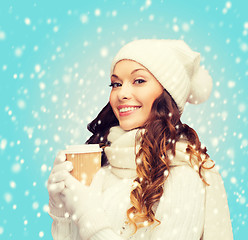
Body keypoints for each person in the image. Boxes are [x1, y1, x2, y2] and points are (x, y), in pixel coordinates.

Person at [47, 39, 233, 240]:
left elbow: (89, 223)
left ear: (167, 94)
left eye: (139, 81)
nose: (122, 94)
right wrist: (62, 210)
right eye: (116, 84)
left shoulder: (182, 176)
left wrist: (87, 216)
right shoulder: (104, 167)